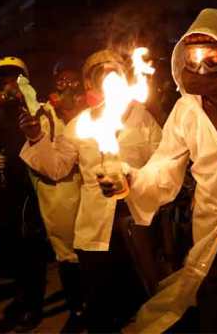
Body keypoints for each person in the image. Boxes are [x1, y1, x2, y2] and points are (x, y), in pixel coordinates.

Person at [104, 8, 217, 333]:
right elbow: (164, 169)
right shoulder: (186, 110)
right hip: (212, 241)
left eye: (213, 56)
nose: (202, 66)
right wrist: (129, 179)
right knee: (214, 320)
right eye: (193, 58)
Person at [19, 49, 162, 332]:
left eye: (113, 73)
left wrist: (136, 178)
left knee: (143, 302)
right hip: (95, 229)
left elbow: (163, 161)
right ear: (91, 84)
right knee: (100, 306)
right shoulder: (79, 124)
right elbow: (57, 167)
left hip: (137, 224)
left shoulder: (142, 118)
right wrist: (36, 137)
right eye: (100, 75)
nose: (108, 79)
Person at [17, 60, 86, 330]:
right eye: (61, 82)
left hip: (91, 194)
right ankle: (76, 310)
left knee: (94, 253)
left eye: (74, 82)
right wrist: (35, 136)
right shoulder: (43, 115)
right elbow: (53, 166)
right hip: (57, 199)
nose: (68, 87)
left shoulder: (97, 113)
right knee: (67, 256)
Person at [0, 56, 48, 331]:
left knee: (30, 250)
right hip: (7, 190)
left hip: (30, 188)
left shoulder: (36, 109)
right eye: (3, 80)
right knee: (7, 247)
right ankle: (21, 296)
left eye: (13, 79)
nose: (7, 85)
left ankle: (32, 305)